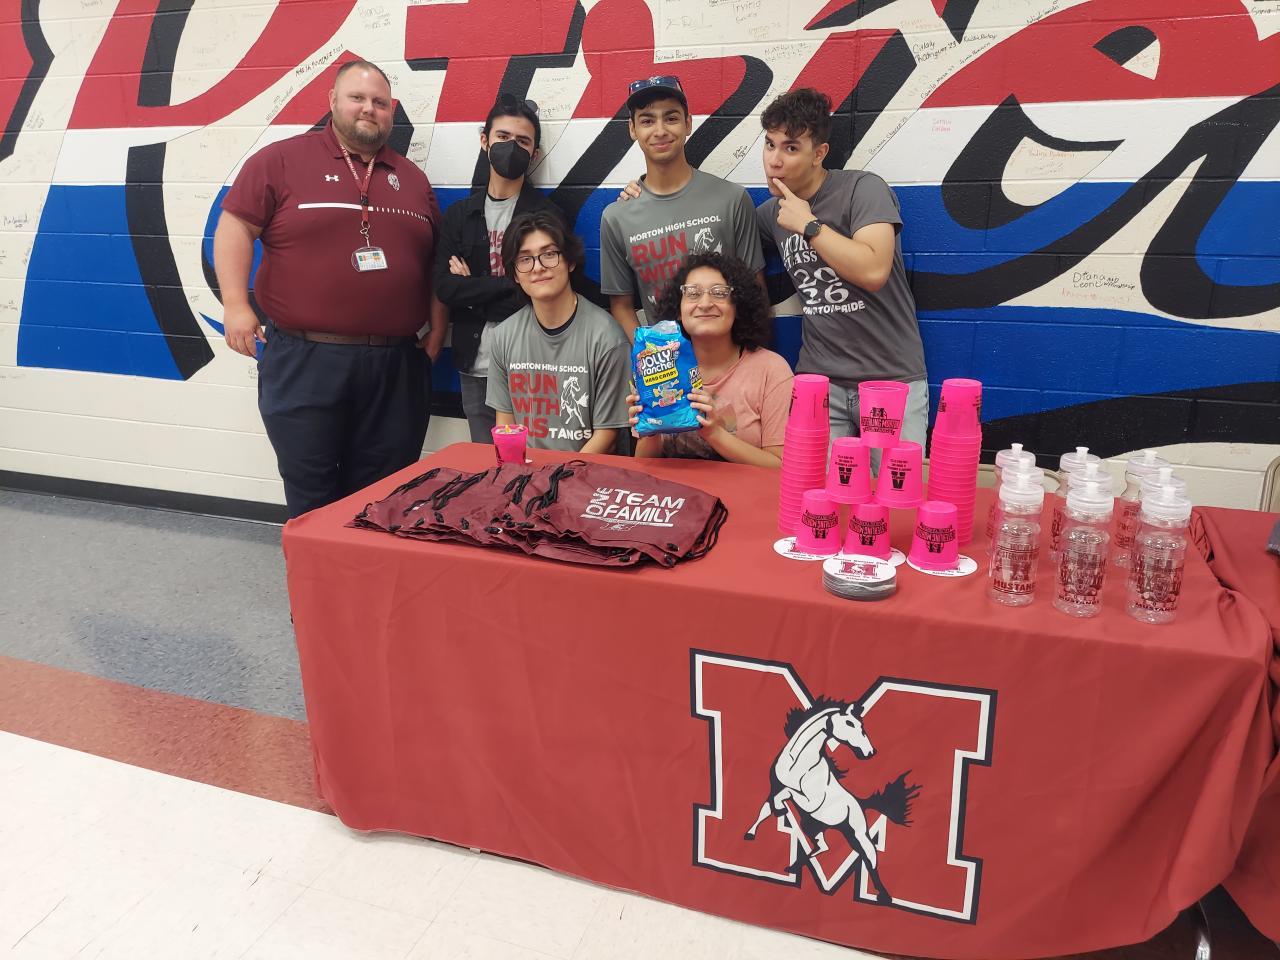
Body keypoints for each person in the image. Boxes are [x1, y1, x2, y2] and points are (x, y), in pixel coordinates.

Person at [215, 60, 441, 518]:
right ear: (333, 101)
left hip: (396, 364)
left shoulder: (413, 179)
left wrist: (437, 329)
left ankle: (366, 569)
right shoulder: (280, 161)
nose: (369, 108)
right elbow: (235, 226)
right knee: (312, 494)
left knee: (384, 498)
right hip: (306, 360)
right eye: (357, 97)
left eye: (380, 102)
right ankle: (318, 569)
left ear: (391, 111)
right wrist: (236, 305)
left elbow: (437, 259)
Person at [756, 88, 928, 451]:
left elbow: (873, 270)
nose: (774, 161)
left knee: (892, 486)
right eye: (770, 145)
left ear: (819, 154)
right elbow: (720, 229)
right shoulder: (772, 213)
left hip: (889, 381)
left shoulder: (862, 189)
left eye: (791, 148)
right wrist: (641, 192)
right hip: (820, 384)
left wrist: (809, 225)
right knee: (813, 485)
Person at [434, 94, 568, 443]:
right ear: (485, 140)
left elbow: (545, 295)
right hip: (474, 369)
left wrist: (472, 290)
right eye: (503, 137)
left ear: (534, 154)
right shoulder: (459, 216)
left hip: (533, 366)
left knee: (538, 461)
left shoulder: (548, 217)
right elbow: (445, 288)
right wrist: (509, 283)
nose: (512, 147)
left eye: (522, 141)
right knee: (487, 464)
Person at [600, 75, 764, 342]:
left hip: (729, 356)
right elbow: (621, 306)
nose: (660, 130)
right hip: (664, 364)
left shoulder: (732, 199)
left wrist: (745, 357)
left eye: (671, 118)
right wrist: (649, 354)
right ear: (632, 129)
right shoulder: (616, 217)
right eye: (647, 121)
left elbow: (755, 294)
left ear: (688, 124)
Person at [629, 253, 793, 468]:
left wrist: (715, 434)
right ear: (678, 310)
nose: (705, 303)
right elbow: (643, 466)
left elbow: (780, 468)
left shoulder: (771, 370)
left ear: (738, 305)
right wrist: (649, 427)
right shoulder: (659, 366)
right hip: (674, 489)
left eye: (719, 293)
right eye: (693, 293)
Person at [487, 211, 630, 453]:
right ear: (515, 274)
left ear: (570, 262)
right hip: (525, 471)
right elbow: (506, 428)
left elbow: (607, 436)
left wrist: (560, 474)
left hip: (587, 470)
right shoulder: (503, 337)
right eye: (525, 259)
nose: (538, 267)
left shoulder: (607, 338)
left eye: (549, 254)